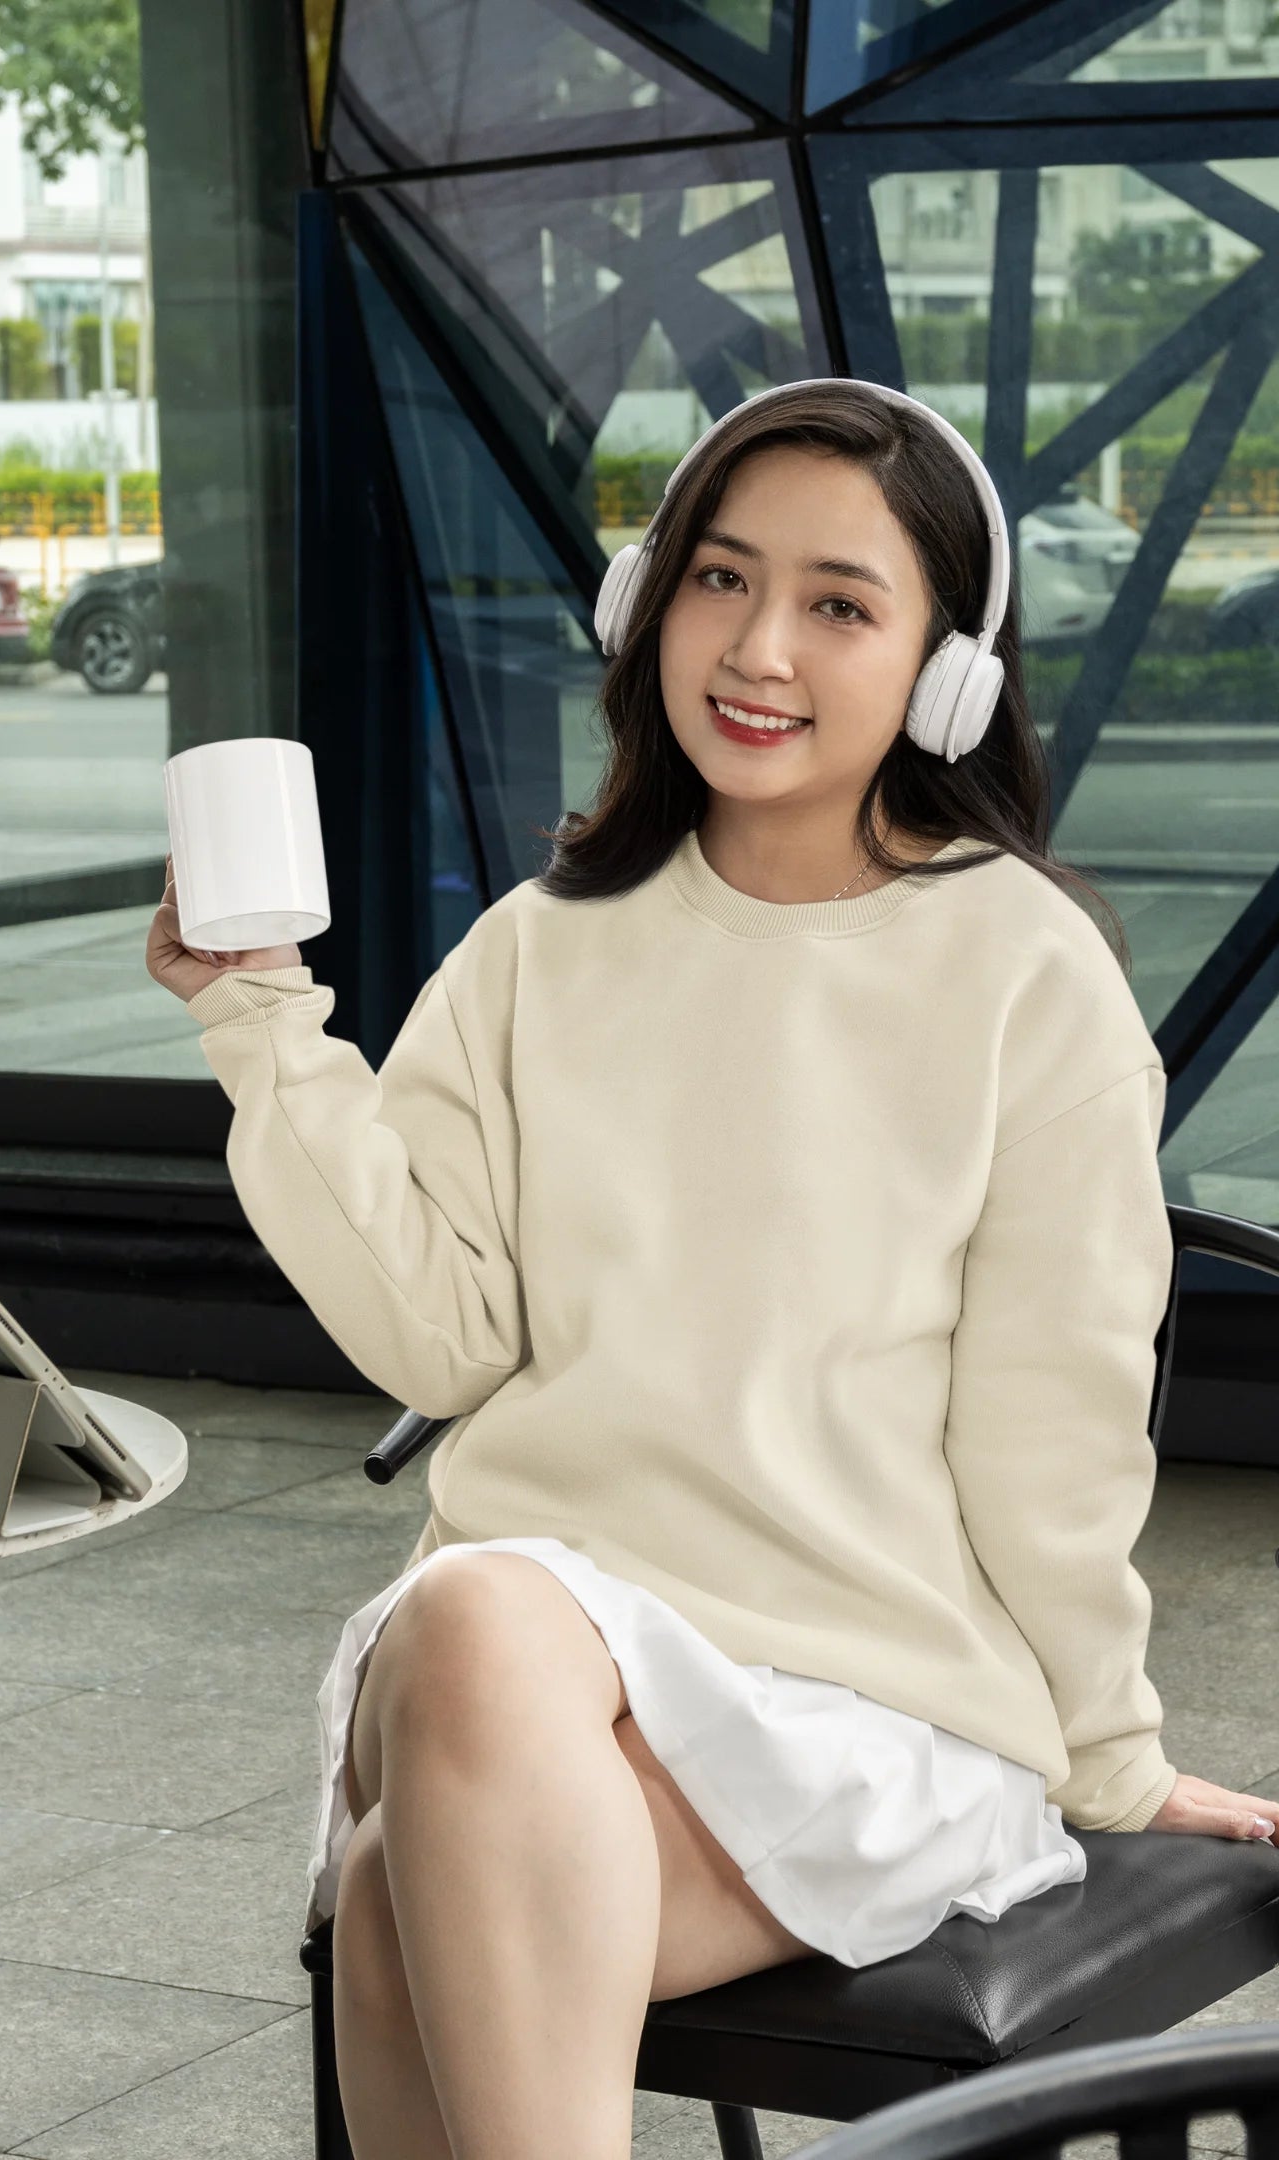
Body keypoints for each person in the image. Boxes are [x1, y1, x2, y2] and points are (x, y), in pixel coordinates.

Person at [146, 377, 1277, 2160]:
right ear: (645, 604)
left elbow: (1051, 1443)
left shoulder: (1022, 974)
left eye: (840, 604)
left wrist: (1112, 1761)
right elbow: (443, 1341)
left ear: (943, 674)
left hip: (880, 1703)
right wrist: (255, 1020)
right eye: (720, 580)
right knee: (475, 1632)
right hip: (529, 1684)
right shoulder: (537, 952)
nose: (759, 648)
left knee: (391, 1880)